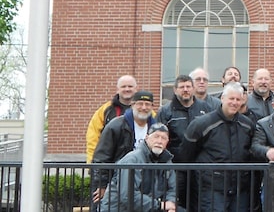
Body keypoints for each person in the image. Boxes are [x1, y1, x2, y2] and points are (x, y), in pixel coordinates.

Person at [177, 82, 255, 212]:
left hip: (239, 189)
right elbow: (186, 155)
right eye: (231, 98)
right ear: (222, 98)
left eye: (238, 99)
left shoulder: (247, 125)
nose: (234, 102)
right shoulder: (202, 124)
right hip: (211, 189)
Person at [92, 90, 157, 204]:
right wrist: (102, 185)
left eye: (147, 104)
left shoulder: (157, 127)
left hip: (147, 181)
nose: (144, 107)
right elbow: (101, 157)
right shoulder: (116, 125)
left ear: (152, 107)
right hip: (118, 179)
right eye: (140, 103)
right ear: (132, 105)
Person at [156, 74, 210, 209]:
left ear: (193, 88)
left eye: (188, 86)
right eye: (181, 87)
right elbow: (159, 138)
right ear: (175, 90)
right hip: (176, 168)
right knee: (176, 204)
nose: (185, 90)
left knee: (200, 204)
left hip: (201, 167)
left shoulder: (205, 108)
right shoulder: (165, 111)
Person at [98, 123, 178, 212]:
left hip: (149, 207)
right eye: (156, 136)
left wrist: (170, 204)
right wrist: (160, 205)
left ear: (167, 142)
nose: (159, 141)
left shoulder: (167, 161)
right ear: (147, 138)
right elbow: (128, 196)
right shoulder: (132, 159)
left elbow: (172, 188)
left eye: (163, 138)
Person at [86, 75, 138, 163]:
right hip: (110, 163)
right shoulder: (105, 110)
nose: (127, 89)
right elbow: (93, 137)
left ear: (136, 89)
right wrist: (92, 164)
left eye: (130, 86)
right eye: (123, 86)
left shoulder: (146, 111)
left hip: (137, 164)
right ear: (117, 89)